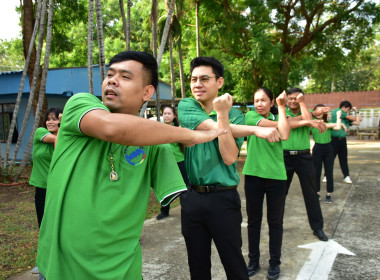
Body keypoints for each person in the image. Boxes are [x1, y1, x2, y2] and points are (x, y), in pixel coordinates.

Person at [36, 51, 226, 280]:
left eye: (125, 77)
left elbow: (187, 185)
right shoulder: (80, 105)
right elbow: (110, 127)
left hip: (123, 272)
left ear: (147, 91)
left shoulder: (156, 142)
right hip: (61, 270)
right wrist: (190, 135)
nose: (112, 80)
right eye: (110, 75)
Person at [178, 56, 280, 280]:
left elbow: (228, 157)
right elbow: (211, 128)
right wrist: (253, 130)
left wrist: (223, 113)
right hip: (192, 196)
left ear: (220, 82)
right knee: (197, 266)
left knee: (234, 264)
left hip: (223, 199)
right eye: (194, 79)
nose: (197, 84)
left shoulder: (235, 114)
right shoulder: (186, 105)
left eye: (205, 79)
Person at [243, 88, 290, 280]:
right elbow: (281, 126)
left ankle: (274, 264)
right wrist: (282, 119)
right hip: (253, 175)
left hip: (277, 177)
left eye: (264, 100)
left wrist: (282, 108)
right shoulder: (250, 116)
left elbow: (285, 134)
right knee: (253, 222)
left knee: (275, 222)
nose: (259, 104)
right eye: (256, 100)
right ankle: (253, 261)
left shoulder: (280, 116)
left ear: (272, 102)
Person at [282, 87, 329, 241]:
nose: (293, 101)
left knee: (311, 193)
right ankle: (277, 225)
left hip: (304, 157)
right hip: (284, 157)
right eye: (291, 98)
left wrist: (304, 105)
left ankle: (317, 228)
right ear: (287, 99)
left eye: (297, 98)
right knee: (279, 195)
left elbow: (309, 123)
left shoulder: (305, 111)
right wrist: (307, 118)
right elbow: (288, 124)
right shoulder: (281, 113)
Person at [28, 107, 62, 274]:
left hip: (60, 188)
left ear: (62, 121)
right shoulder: (40, 132)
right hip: (42, 189)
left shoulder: (63, 137)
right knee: (44, 226)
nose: (50, 121)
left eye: (55, 118)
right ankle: (43, 263)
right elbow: (56, 141)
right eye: (48, 118)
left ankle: (59, 260)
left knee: (60, 225)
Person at [156, 106, 189, 220]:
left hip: (179, 161)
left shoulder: (178, 129)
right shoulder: (158, 128)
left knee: (185, 187)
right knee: (166, 187)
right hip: (165, 163)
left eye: (169, 113)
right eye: (164, 113)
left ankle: (187, 211)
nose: (166, 115)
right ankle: (164, 211)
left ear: (174, 116)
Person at [311, 104, 344, 203]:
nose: (320, 112)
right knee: (316, 172)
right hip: (317, 148)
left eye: (322, 110)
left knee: (329, 172)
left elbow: (338, 127)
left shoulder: (328, 123)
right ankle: (317, 193)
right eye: (318, 110)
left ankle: (329, 194)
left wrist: (338, 116)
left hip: (328, 149)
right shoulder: (312, 124)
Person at [329, 101, 361, 184]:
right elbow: (354, 119)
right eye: (348, 109)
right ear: (343, 107)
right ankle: (326, 175)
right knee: (330, 158)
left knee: (343, 159)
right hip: (333, 139)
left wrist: (356, 112)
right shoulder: (337, 111)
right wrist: (355, 116)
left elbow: (358, 122)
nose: (348, 111)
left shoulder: (346, 119)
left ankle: (346, 176)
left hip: (343, 140)